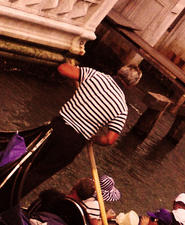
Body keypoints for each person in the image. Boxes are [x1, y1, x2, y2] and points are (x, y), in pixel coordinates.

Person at [18, 59, 142, 197]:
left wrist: (75, 70)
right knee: (39, 173)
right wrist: (94, 139)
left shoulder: (94, 75)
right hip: (74, 142)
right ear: (131, 85)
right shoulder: (122, 107)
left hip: (57, 126)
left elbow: (63, 69)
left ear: (120, 70)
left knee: (27, 159)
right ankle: (5, 201)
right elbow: (109, 140)